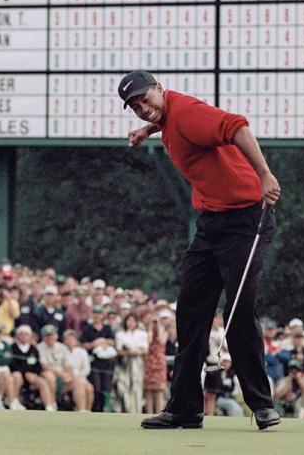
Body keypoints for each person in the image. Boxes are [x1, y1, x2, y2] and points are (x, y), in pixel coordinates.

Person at [120, 71, 281, 431]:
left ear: (160, 88)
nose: (142, 108)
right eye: (134, 107)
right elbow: (170, 125)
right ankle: (185, 409)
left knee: (238, 309)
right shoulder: (167, 116)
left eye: (145, 99)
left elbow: (236, 126)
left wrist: (265, 174)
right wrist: (148, 131)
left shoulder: (188, 111)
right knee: (191, 311)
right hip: (211, 225)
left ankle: (262, 404)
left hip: (245, 219)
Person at [7, 324, 56, 411]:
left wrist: (34, 374)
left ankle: (49, 405)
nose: (24, 336)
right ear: (17, 335)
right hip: (18, 374)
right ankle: (15, 401)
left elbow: (37, 365)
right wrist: (25, 373)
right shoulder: (12, 347)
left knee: (42, 382)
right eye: (21, 334)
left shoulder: (33, 349)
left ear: (30, 336)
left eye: (26, 334)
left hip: (31, 376)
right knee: (17, 376)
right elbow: (12, 364)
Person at [114, 312, 148, 413]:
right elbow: (119, 351)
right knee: (123, 386)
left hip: (137, 363)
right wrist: (130, 352)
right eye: (129, 320)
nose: (131, 323)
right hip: (124, 363)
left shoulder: (142, 334)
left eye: (133, 321)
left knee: (136, 386)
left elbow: (144, 350)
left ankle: (136, 410)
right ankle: (125, 409)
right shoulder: (120, 334)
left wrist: (135, 352)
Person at [62, 329, 94, 412]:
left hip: (81, 376)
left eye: (72, 339)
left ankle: (88, 410)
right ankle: (81, 409)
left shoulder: (82, 351)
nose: (70, 341)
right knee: (79, 384)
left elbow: (87, 368)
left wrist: (79, 376)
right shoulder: (62, 351)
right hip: (67, 378)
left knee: (89, 388)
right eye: (68, 339)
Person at [143, 314, 168, 414]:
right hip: (149, 361)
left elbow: (161, 341)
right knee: (148, 390)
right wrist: (149, 329)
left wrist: (159, 329)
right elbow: (148, 342)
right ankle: (149, 413)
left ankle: (159, 412)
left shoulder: (164, 332)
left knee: (159, 390)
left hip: (159, 362)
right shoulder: (146, 333)